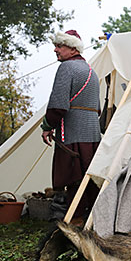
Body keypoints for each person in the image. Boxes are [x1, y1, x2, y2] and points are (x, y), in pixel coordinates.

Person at [41, 30, 101, 225]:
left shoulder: (67, 68)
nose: (55, 50)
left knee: (74, 178)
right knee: (89, 180)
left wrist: (48, 125)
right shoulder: (92, 71)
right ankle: (92, 221)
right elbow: (97, 108)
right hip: (92, 134)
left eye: (60, 46)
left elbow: (58, 105)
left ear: (73, 48)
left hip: (73, 133)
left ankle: (74, 221)